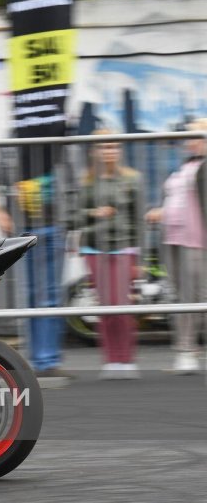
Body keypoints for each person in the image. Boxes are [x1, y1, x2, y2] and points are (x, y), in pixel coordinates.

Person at [0, 142, 73, 379]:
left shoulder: (57, 145)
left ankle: (49, 361)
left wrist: (72, 223)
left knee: (51, 296)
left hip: (55, 228)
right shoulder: (10, 146)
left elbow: (72, 185)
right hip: (23, 233)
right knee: (31, 296)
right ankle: (36, 361)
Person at [76, 130, 142, 379]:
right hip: (94, 250)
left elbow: (139, 220)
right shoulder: (86, 182)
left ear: (120, 150)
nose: (109, 151)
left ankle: (127, 359)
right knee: (105, 306)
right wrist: (94, 213)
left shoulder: (132, 179)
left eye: (113, 147)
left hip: (123, 249)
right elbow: (74, 217)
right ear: (94, 151)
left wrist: (138, 258)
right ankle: (111, 360)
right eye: (104, 147)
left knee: (121, 305)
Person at [145, 118, 207, 375]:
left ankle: (186, 350)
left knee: (194, 296)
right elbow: (176, 198)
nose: (189, 140)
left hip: (195, 238)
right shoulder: (184, 166)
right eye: (189, 136)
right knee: (183, 295)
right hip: (172, 237)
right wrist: (160, 211)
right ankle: (186, 349)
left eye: (196, 136)